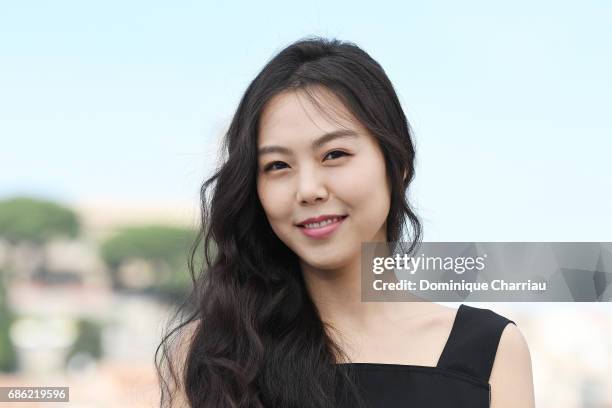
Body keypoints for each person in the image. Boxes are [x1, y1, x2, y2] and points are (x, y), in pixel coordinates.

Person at [155, 36, 535, 408]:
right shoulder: (212, 355)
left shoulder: (491, 351)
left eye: (334, 154)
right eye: (278, 166)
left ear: (397, 164)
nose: (308, 190)